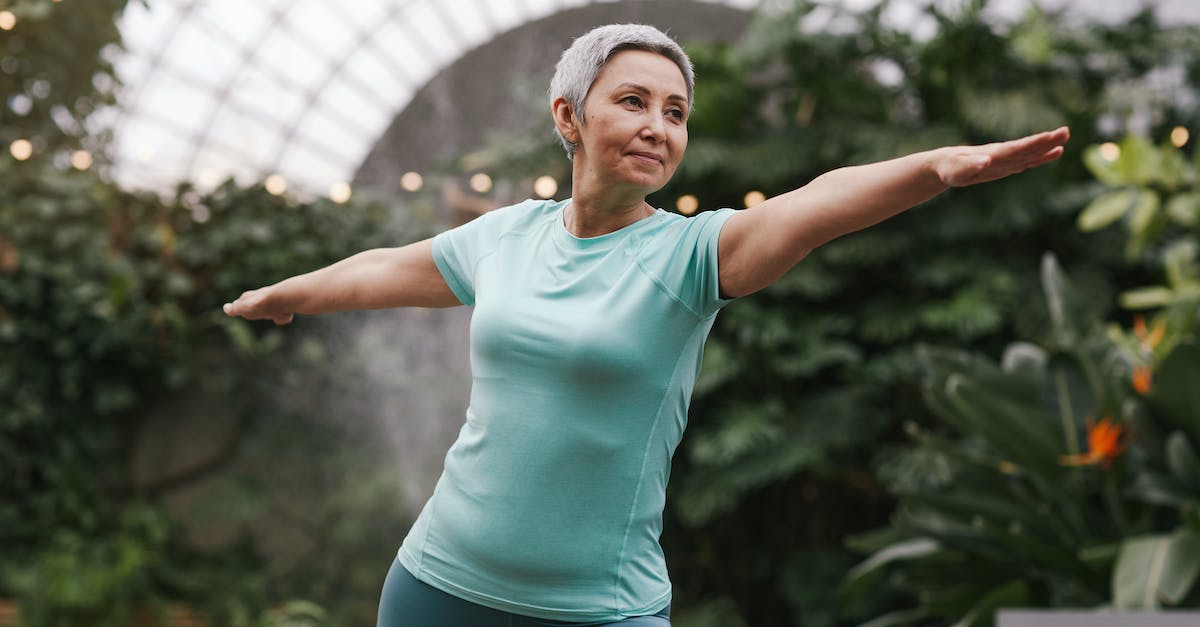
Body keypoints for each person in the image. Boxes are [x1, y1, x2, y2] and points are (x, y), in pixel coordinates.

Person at [222, 23, 1069, 627]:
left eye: (675, 111)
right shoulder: (505, 237)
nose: (658, 128)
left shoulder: (695, 256)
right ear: (568, 117)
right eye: (633, 101)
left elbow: (814, 207)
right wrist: (285, 291)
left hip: (599, 609)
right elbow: (380, 270)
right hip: (437, 586)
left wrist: (935, 168)